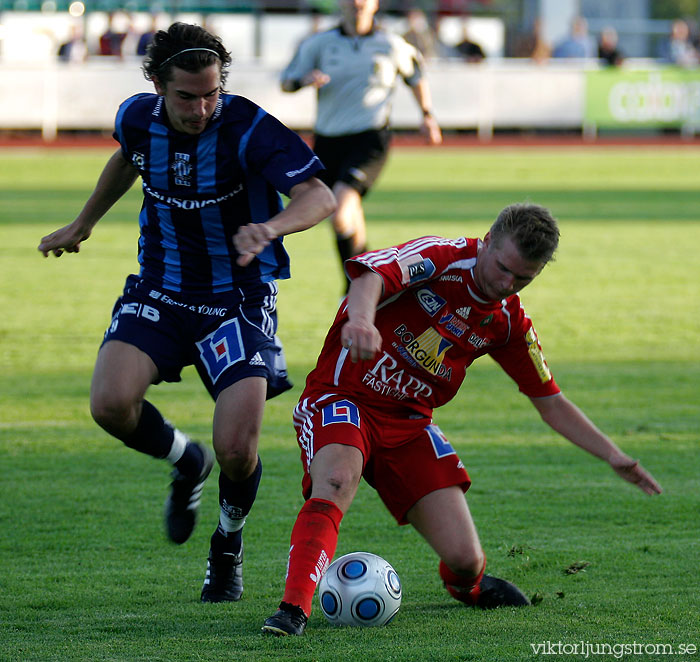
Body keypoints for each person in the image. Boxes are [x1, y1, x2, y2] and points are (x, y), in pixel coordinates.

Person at [261, 203, 662, 636]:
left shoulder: (508, 321)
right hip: (344, 397)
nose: (507, 284)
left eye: (523, 278)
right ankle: (292, 610)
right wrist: (360, 319)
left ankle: (466, 588)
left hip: (409, 423)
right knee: (337, 480)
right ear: (487, 242)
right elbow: (370, 275)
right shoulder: (442, 258)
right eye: (504, 267)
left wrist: (614, 456)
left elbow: (550, 401)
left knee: (467, 560)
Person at [38, 22, 335, 605]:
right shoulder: (135, 117)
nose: (201, 109)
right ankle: (185, 459)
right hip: (163, 291)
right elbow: (129, 158)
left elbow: (319, 196)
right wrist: (84, 222)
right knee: (110, 404)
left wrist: (270, 227)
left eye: (211, 94)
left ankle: (227, 544)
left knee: (239, 449)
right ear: (155, 85)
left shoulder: (247, 127)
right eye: (186, 97)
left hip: (237, 301)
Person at [280, 0, 442, 291]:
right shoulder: (319, 44)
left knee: (342, 207)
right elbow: (287, 81)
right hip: (328, 141)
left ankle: (354, 284)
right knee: (344, 218)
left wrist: (427, 115)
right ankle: (368, 276)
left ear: (375, 4)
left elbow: (416, 76)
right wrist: (305, 80)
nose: (356, 3)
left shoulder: (391, 44)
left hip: (371, 137)